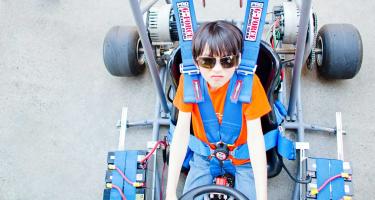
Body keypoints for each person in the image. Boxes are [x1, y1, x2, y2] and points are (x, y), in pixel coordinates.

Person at [166, 20, 271, 200]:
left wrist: (263, 197)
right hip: (204, 158)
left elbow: (256, 141)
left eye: (227, 61)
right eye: (208, 61)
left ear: (238, 60)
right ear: (196, 62)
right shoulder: (190, 82)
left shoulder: (249, 85)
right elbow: (181, 135)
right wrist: (170, 193)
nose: (217, 70)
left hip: (243, 160)